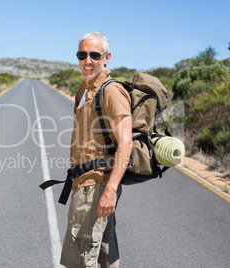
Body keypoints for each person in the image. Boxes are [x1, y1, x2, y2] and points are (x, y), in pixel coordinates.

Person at [60, 32, 133, 268]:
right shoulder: (84, 91)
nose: (87, 60)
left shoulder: (111, 91)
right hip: (85, 183)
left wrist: (109, 191)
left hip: (98, 185)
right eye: (82, 55)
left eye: (94, 55)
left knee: (81, 256)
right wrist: (76, 183)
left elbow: (126, 142)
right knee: (104, 250)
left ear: (106, 57)